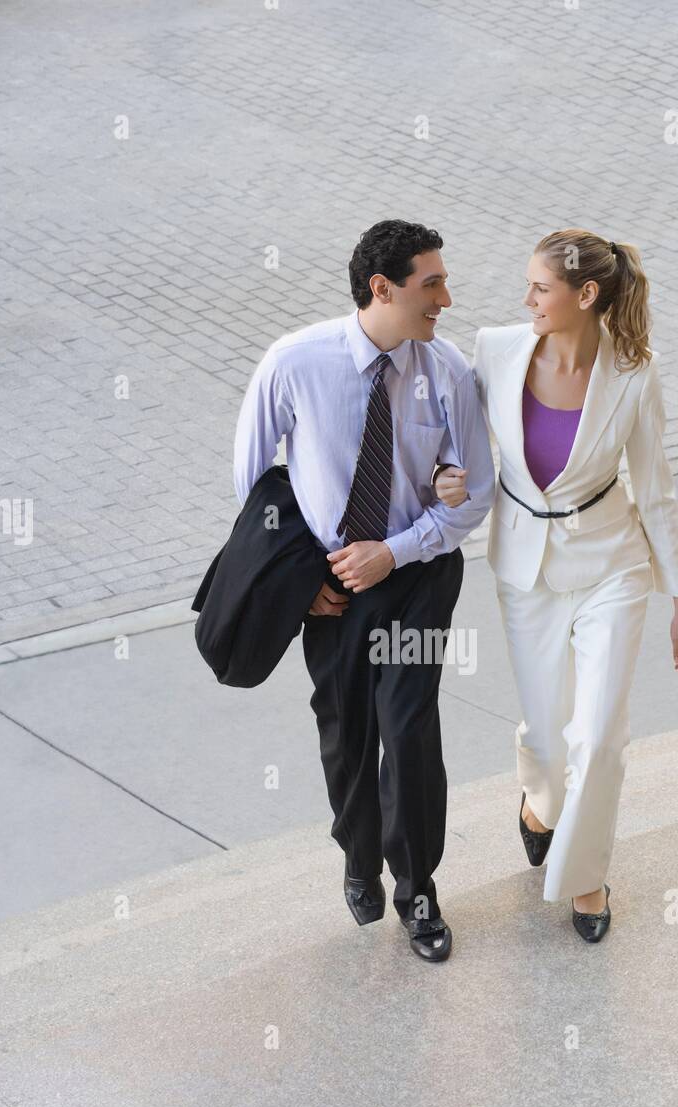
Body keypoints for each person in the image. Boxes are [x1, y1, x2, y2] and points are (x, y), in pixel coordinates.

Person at [233, 220, 495, 962]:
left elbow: (474, 494)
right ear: (381, 289)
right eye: (431, 284)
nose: (446, 297)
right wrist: (300, 583)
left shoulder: (445, 371)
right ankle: (358, 855)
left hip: (416, 576)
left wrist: (398, 549)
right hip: (335, 587)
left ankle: (417, 890)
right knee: (347, 730)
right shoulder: (295, 363)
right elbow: (254, 485)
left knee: (408, 725)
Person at [435, 228, 678, 943]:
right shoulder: (495, 351)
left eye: (540, 288)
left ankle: (586, 878)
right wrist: (443, 476)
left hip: (612, 563)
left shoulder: (634, 374)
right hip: (526, 568)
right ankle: (540, 803)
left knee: (600, 736)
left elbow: (657, 490)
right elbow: (446, 435)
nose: (527, 299)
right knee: (550, 738)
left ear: (586, 295)